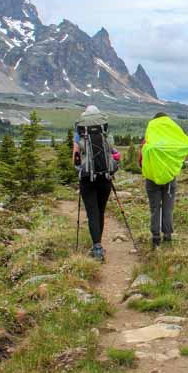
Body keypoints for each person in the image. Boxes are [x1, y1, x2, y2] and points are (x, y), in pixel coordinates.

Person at [73, 105, 120, 261]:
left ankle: (97, 247)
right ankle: (98, 246)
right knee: (100, 211)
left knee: (92, 212)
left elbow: (76, 157)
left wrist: (79, 169)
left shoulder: (79, 132)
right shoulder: (105, 131)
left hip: (87, 178)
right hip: (105, 177)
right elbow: (113, 151)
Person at [140, 112, 188, 248]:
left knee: (155, 209)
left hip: (151, 180)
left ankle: (155, 238)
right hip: (170, 180)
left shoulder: (148, 140)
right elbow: (182, 154)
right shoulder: (174, 140)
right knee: (168, 208)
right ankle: (168, 236)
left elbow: (141, 161)